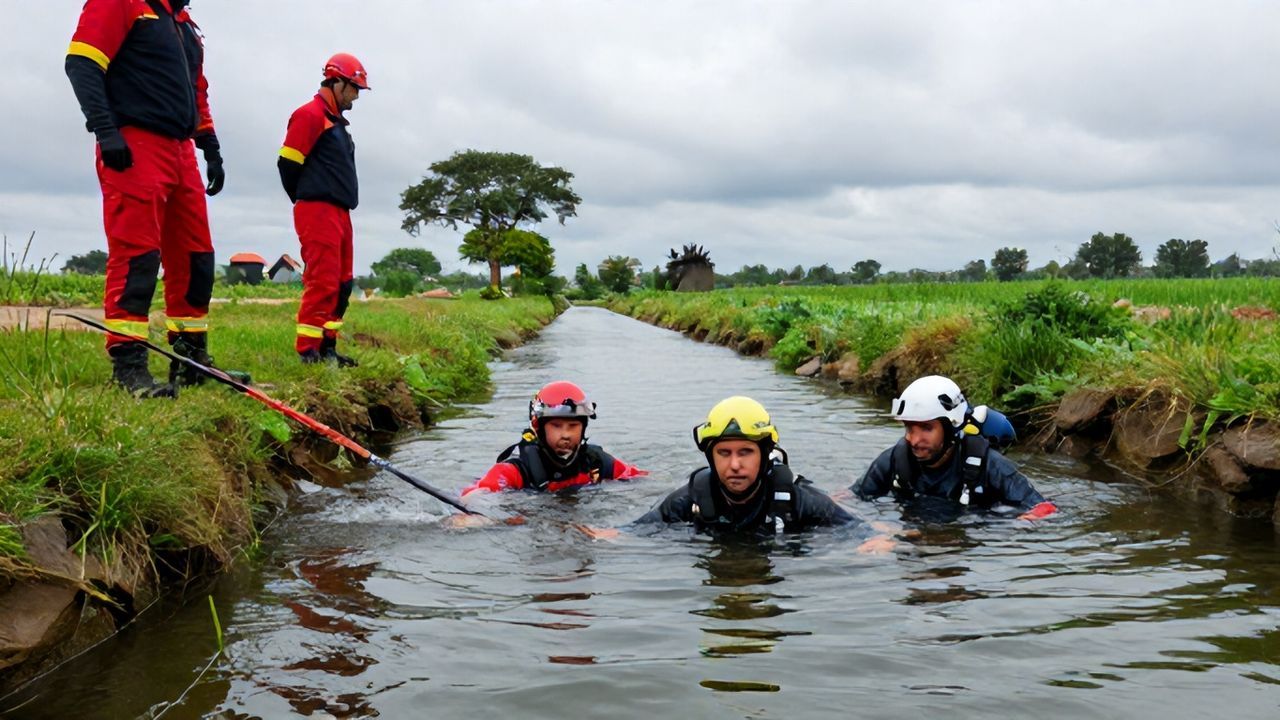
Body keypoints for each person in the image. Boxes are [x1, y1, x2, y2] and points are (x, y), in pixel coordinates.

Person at [66, 0, 244, 397]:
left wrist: (210, 147)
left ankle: (192, 359)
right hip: (135, 143)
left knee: (196, 257)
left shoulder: (183, 25)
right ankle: (129, 367)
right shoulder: (123, 3)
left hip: (181, 150)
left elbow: (198, 91)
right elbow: (82, 63)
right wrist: (105, 131)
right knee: (138, 256)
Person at [632, 396, 874, 538]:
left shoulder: (796, 497)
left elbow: (857, 529)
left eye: (745, 452)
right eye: (724, 453)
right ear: (711, 457)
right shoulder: (691, 497)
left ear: (765, 453)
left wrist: (877, 539)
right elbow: (635, 530)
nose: (734, 465)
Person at [851, 375, 1056, 519]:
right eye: (909, 428)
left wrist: (1015, 529)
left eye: (926, 428)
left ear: (952, 426)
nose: (914, 440)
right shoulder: (896, 458)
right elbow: (852, 498)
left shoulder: (988, 464)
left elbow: (1044, 508)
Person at [278, 53, 368, 366]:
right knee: (322, 280)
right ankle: (308, 350)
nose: (356, 95)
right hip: (317, 209)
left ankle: (328, 347)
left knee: (342, 283)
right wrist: (305, 199)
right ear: (336, 81)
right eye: (354, 88)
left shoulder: (338, 125)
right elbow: (288, 164)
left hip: (340, 212)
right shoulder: (309, 115)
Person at [460, 381, 646, 496]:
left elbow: (640, 479)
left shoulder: (595, 461)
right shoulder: (516, 469)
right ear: (539, 427)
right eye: (556, 426)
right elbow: (478, 494)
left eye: (573, 426)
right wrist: (473, 513)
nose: (565, 434)